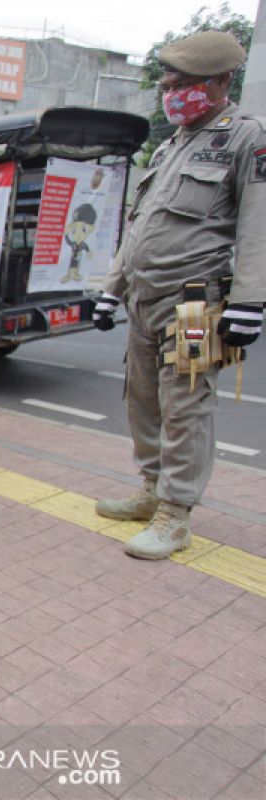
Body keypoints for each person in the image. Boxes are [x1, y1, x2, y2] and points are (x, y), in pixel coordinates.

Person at [91, 30, 265, 560]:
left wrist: (249, 300)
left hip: (195, 300)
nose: (170, 92)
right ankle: (150, 489)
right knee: (143, 399)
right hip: (144, 298)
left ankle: (176, 514)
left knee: (185, 406)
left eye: (181, 83)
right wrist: (110, 289)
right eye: (168, 83)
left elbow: (258, 224)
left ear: (218, 82)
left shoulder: (245, 138)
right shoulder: (172, 143)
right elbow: (140, 225)